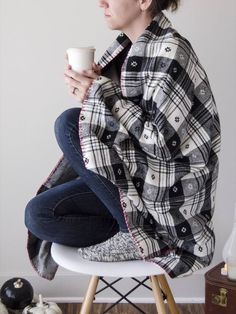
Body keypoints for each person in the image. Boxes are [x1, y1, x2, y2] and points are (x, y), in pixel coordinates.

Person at [25, 0, 221, 280]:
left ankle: (141, 236)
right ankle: (126, 226)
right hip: (134, 180)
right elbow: (117, 121)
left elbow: (163, 146)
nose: (101, 2)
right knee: (38, 215)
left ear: (144, 1)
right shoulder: (126, 46)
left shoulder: (172, 51)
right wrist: (93, 89)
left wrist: (99, 95)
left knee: (68, 123)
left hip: (166, 193)